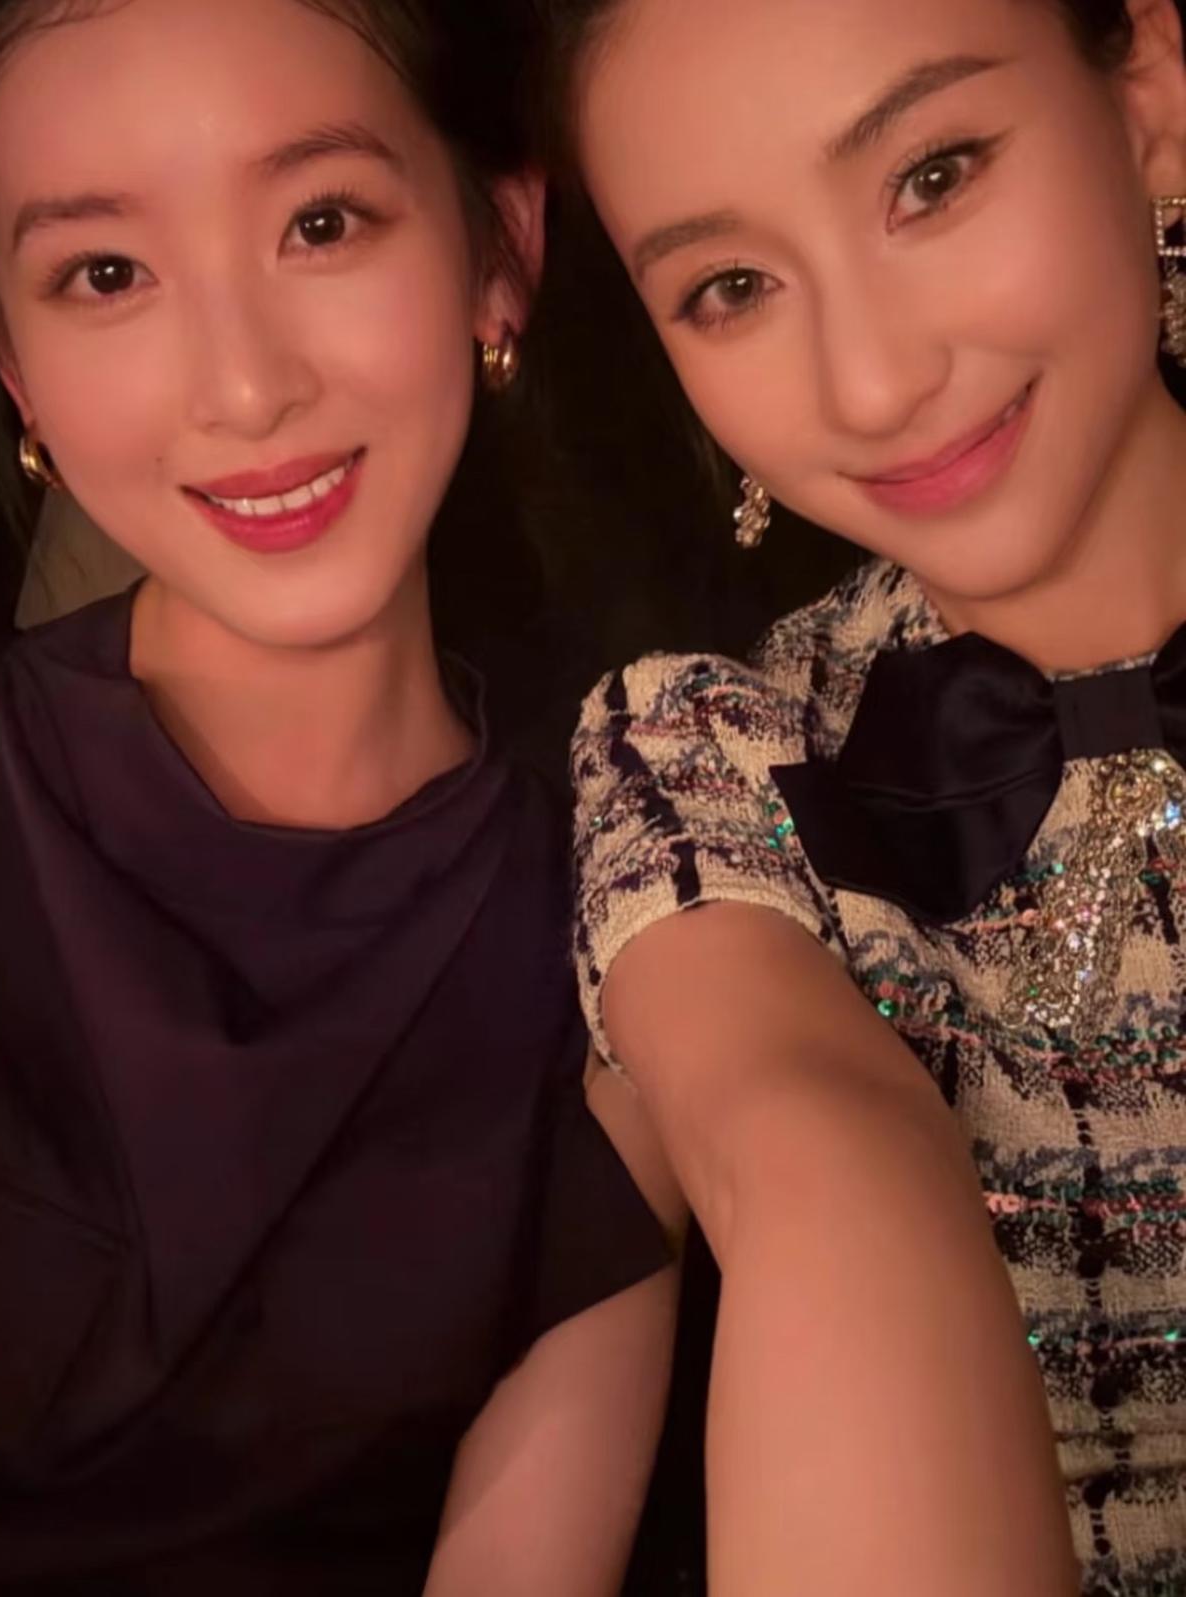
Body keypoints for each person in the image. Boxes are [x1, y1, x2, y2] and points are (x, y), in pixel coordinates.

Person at [0, 0, 682, 1589]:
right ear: (7, 354)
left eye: (321, 222)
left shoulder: (639, 915)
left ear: (499, 248)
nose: (245, 388)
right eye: (105, 274)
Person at [550, 0, 1186, 1592]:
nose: (876, 380)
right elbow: (812, 1163)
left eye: (934, 175)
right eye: (732, 287)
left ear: (1150, 93)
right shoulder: (710, 760)